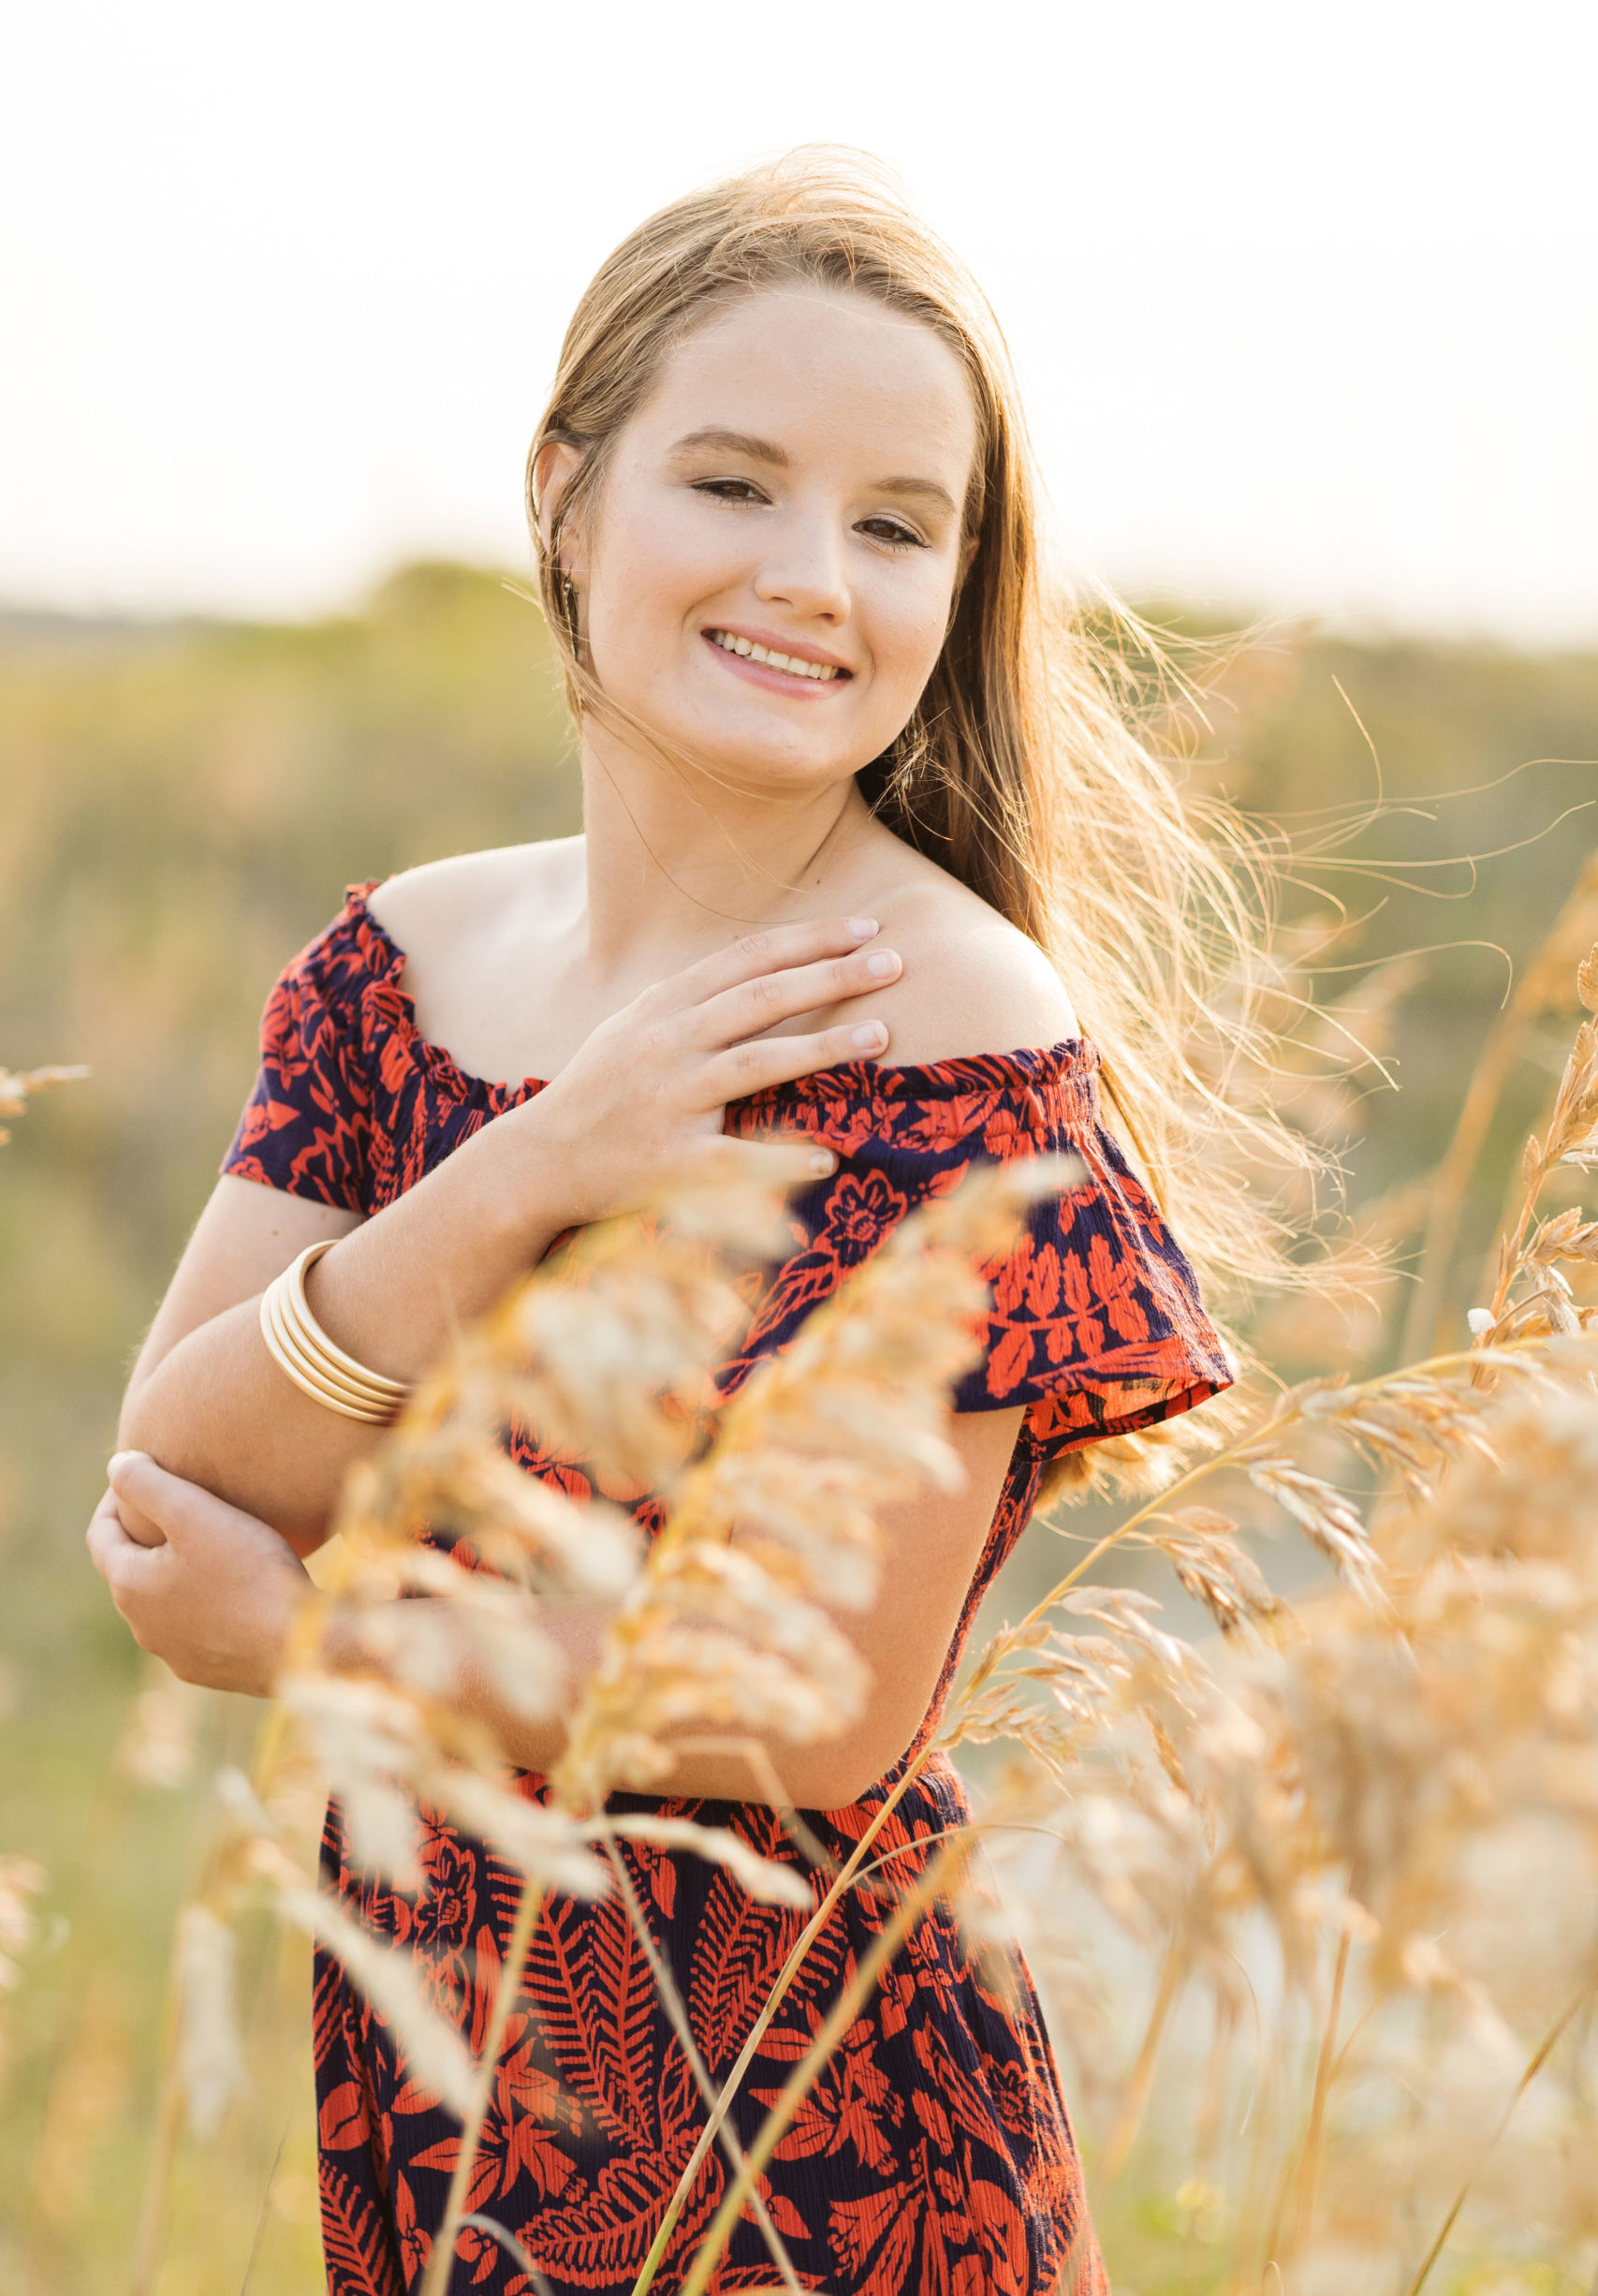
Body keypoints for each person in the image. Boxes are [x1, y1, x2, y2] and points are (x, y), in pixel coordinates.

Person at [88, 152, 1252, 2296]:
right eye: (733, 483)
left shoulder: (949, 1021)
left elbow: (812, 1712)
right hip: (438, 2091)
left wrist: (320, 1644)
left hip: (819, 2150)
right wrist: (532, 1162)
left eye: (898, 523)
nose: (816, 575)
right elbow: (180, 1471)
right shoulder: (402, 967)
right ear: (565, 495)